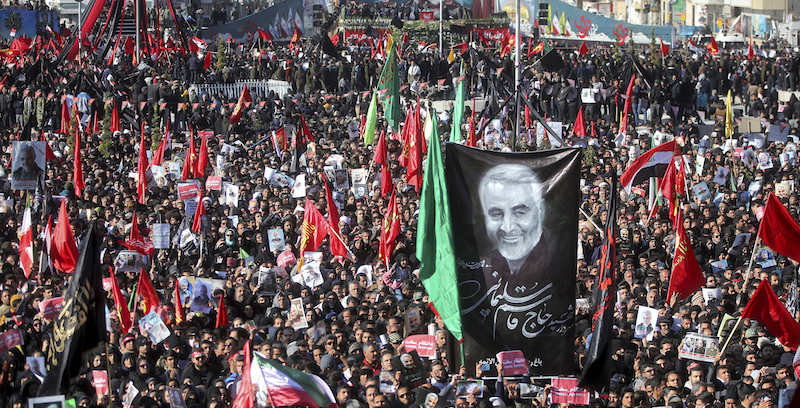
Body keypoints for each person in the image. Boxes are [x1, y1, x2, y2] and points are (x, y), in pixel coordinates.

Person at [457, 163, 574, 374]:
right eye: (496, 214)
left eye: (520, 212)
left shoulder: (560, 265)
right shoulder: (477, 270)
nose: (508, 227)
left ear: (541, 211)